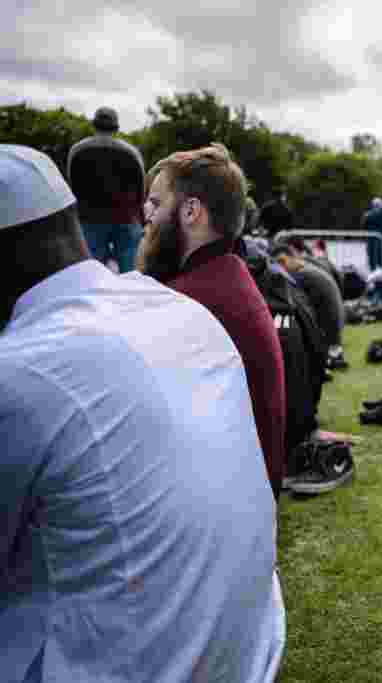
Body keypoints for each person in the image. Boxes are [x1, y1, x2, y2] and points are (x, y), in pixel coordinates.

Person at [0, 144, 284, 681]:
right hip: (247, 634)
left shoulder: (23, 369)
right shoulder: (181, 306)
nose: (145, 216)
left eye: (156, 203)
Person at [138, 143, 287, 497]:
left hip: (216, 513)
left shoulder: (188, 301)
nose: (146, 213)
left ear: (191, 211)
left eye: (157, 203)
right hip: (239, 505)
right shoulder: (226, 276)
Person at [66, 106, 146, 273]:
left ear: (94, 125)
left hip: (89, 219)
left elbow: (72, 185)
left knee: (92, 273)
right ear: (116, 128)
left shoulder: (77, 150)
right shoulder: (131, 152)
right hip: (125, 218)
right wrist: (140, 218)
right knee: (131, 273)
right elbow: (141, 189)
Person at [362, 197, 382, 270]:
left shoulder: (368, 215)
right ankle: (380, 273)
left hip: (372, 239)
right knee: (381, 259)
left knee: (372, 259)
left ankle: (374, 272)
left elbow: (364, 227)